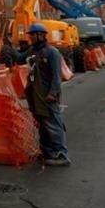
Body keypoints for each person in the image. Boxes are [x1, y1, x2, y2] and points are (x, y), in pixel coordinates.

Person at [23, 22, 70, 167]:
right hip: (36, 94)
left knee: (53, 124)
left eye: (32, 36)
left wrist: (53, 93)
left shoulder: (52, 53)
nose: (30, 38)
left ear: (41, 35)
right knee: (42, 124)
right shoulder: (33, 51)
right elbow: (19, 57)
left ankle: (61, 154)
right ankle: (47, 151)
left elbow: (56, 76)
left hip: (47, 95)